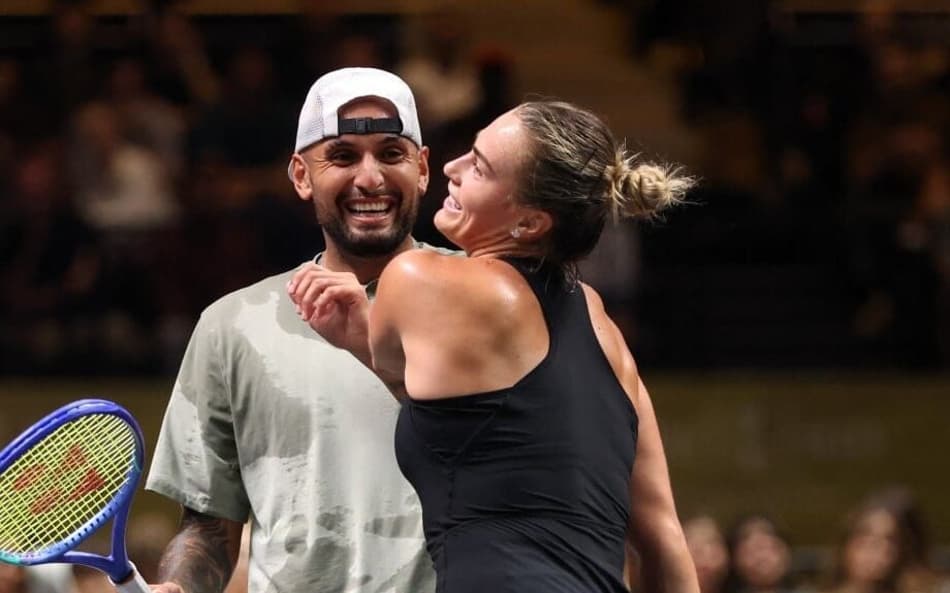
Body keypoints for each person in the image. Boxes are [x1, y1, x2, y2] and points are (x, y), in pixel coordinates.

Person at [289, 101, 699, 592]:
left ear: (529, 224)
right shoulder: (606, 331)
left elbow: (403, 368)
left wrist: (365, 335)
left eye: (479, 166)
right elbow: (661, 537)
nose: (450, 167)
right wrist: (364, 339)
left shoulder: (417, 278)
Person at [146, 67, 446, 593]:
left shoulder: (492, 299)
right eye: (344, 156)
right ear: (301, 175)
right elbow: (209, 531)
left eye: (391, 153)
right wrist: (182, 586)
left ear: (422, 169)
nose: (370, 178)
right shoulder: (230, 326)